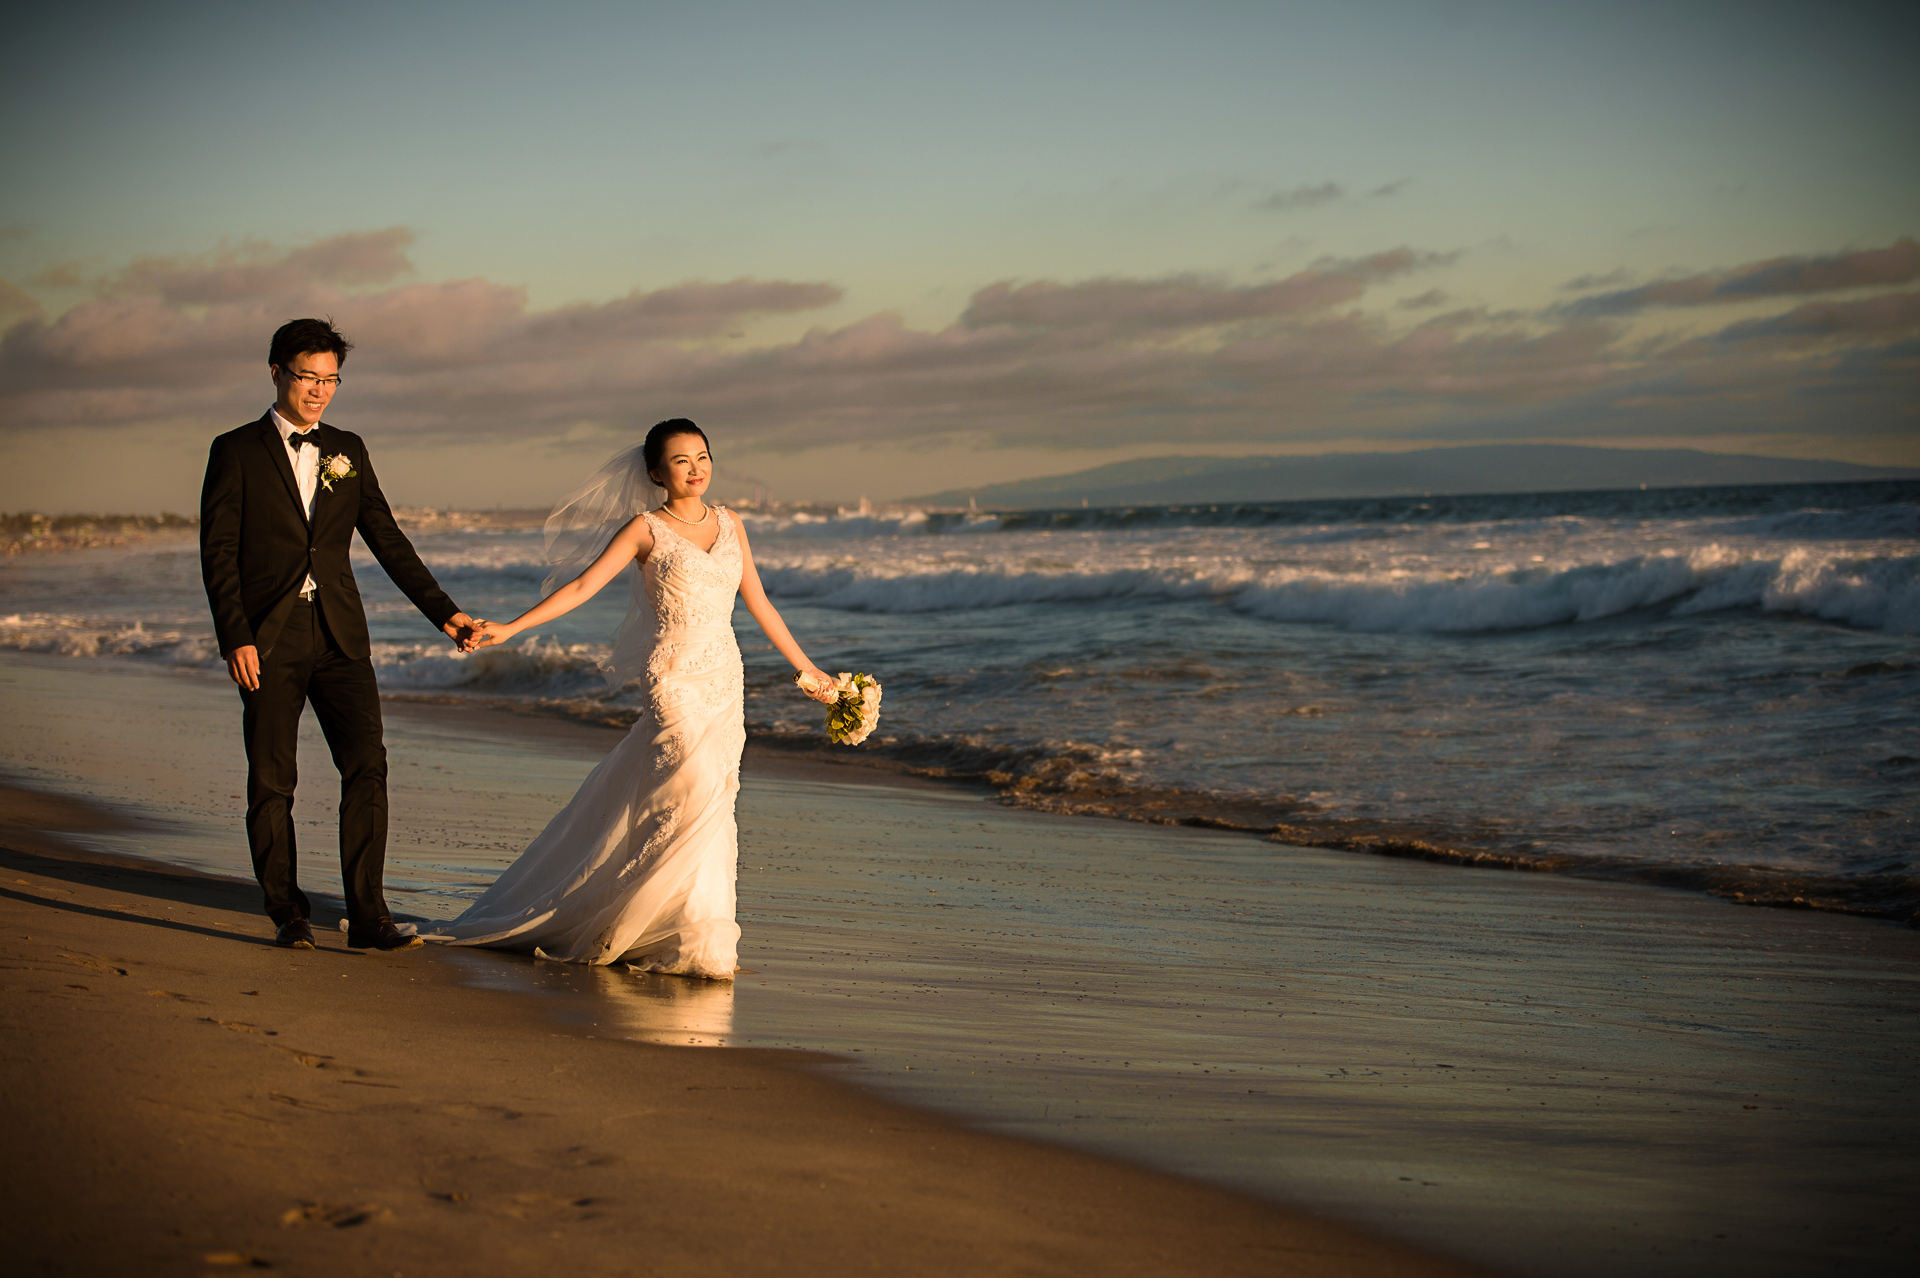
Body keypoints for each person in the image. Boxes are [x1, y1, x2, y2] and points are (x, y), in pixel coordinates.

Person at [424, 419, 836, 978]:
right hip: (673, 676)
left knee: (711, 800)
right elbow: (581, 587)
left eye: (703, 456)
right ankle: (626, 922)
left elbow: (759, 602)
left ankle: (692, 936)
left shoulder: (731, 523)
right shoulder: (644, 529)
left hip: (723, 676)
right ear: (655, 473)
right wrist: (512, 628)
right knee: (686, 787)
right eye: (681, 460)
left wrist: (808, 670)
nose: (696, 468)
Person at [199, 318, 478, 952]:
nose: (320, 391)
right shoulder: (235, 450)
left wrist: (445, 612)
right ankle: (287, 914)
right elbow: (217, 553)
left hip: (341, 636)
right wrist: (234, 635)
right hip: (267, 641)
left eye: (331, 379)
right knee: (273, 780)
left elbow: (386, 537)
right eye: (308, 377)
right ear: (277, 372)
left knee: (367, 766)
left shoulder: (349, 447)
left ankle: (368, 915)